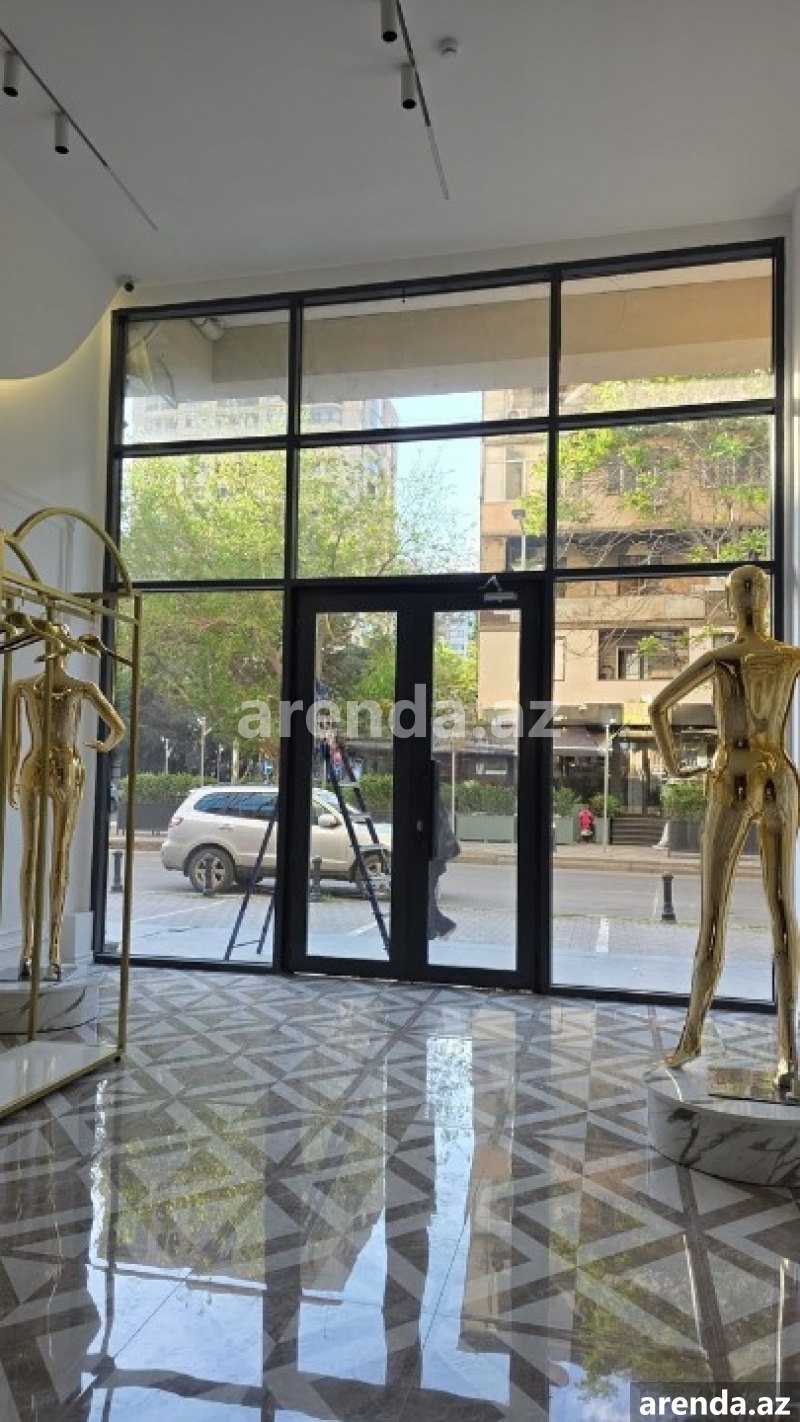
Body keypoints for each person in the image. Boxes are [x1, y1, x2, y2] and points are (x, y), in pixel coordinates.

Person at [650, 565, 800, 1085]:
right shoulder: (790, 657)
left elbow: (658, 707)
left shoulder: (722, 658)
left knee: (714, 913)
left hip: (731, 773)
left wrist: (675, 766)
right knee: (782, 908)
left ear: (734, 601)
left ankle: (691, 1035)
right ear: (767, 599)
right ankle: (789, 1053)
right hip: (780, 774)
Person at [8, 624, 125, 982]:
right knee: (54, 854)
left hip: (37, 766)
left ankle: (37, 948)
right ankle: (45, 950)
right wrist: (103, 745)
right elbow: (117, 728)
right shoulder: (74, 687)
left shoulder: (28, 686)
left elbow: (12, 744)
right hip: (62, 766)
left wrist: (10, 778)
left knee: (38, 854)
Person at [428, 792, 460, 940]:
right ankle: (434, 929)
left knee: (425, 895)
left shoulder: (431, 803)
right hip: (438, 854)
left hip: (435, 855)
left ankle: (442, 926)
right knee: (427, 895)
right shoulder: (435, 802)